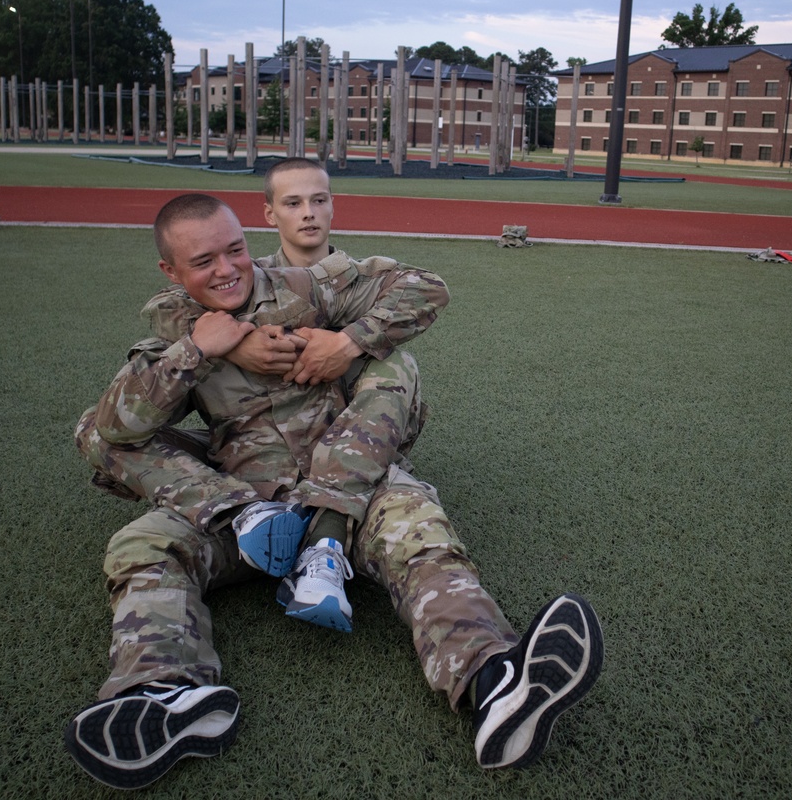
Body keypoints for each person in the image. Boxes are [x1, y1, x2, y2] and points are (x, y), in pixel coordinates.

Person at [65, 193, 604, 790]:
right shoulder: (176, 342)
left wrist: (347, 341)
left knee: (413, 521)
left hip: (351, 485)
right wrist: (202, 347)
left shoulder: (306, 289)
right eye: (203, 262)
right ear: (171, 272)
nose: (226, 269)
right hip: (245, 514)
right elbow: (117, 427)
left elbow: (424, 287)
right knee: (138, 529)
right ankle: (167, 694)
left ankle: (493, 682)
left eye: (235, 249)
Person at [76, 157, 427, 632]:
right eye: (293, 202)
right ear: (269, 213)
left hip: (342, 446)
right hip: (247, 464)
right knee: (97, 428)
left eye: (318, 199)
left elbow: (423, 287)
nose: (308, 213)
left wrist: (346, 344)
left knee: (396, 365)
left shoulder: (321, 283)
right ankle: (244, 515)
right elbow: (166, 307)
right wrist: (225, 343)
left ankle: (324, 535)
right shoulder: (227, 291)